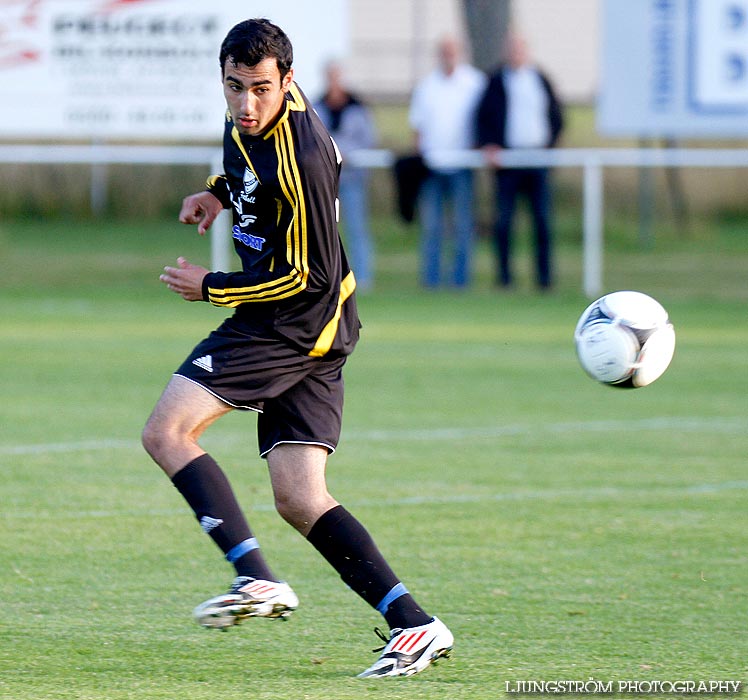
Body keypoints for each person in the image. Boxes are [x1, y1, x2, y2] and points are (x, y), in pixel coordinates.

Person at [141, 18, 452, 679]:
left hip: (288, 324)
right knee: (300, 496)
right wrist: (217, 195)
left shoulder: (303, 155)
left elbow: (306, 275)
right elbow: (243, 166)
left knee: (167, 432)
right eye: (234, 87)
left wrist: (212, 286)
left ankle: (255, 579)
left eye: (260, 89)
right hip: (314, 330)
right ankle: (415, 624)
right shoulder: (249, 121)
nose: (246, 104)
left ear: (288, 80)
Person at [476, 32, 564, 290]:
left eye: (520, 49)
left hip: (537, 160)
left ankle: (544, 280)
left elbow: (557, 116)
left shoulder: (540, 79)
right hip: (508, 162)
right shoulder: (496, 81)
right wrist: (490, 144)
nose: (516, 54)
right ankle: (504, 279)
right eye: (512, 49)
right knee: (503, 223)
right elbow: (484, 117)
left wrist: (550, 145)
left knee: (542, 222)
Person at [408, 36, 487, 288]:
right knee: (432, 227)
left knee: (463, 226)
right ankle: (431, 282)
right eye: (444, 51)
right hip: (432, 166)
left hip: (463, 164)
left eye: (452, 51)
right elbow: (417, 127)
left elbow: (484, 121)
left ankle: (460, 282)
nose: (448, 56)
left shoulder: (475, 83)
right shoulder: (427, 86)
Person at [314, 60, 377, 291]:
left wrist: (347, 154)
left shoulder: (357, 107)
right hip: (324, 180)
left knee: (357, 228)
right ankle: (325, 278)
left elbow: (369, 139)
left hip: (351, 177)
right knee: (322, 229)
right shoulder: (316, 107)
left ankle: (363, 277)